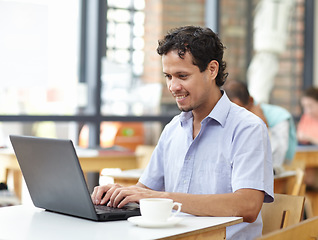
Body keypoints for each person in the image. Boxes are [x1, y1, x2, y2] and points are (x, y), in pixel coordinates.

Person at [91, 26, 274, 240]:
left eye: (182, 76)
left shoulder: (247, 128)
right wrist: (118, 193)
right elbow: (145, 190)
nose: (173, 86)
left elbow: (248, 205)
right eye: (168, 76)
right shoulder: (172, 130)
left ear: (212, 70)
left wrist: (164, 197)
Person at [223, 80, 297, 174]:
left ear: (250, 101)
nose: (235, 115)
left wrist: (264, 126)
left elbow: (276, 161)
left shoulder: (279, 118)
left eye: (239, 108)